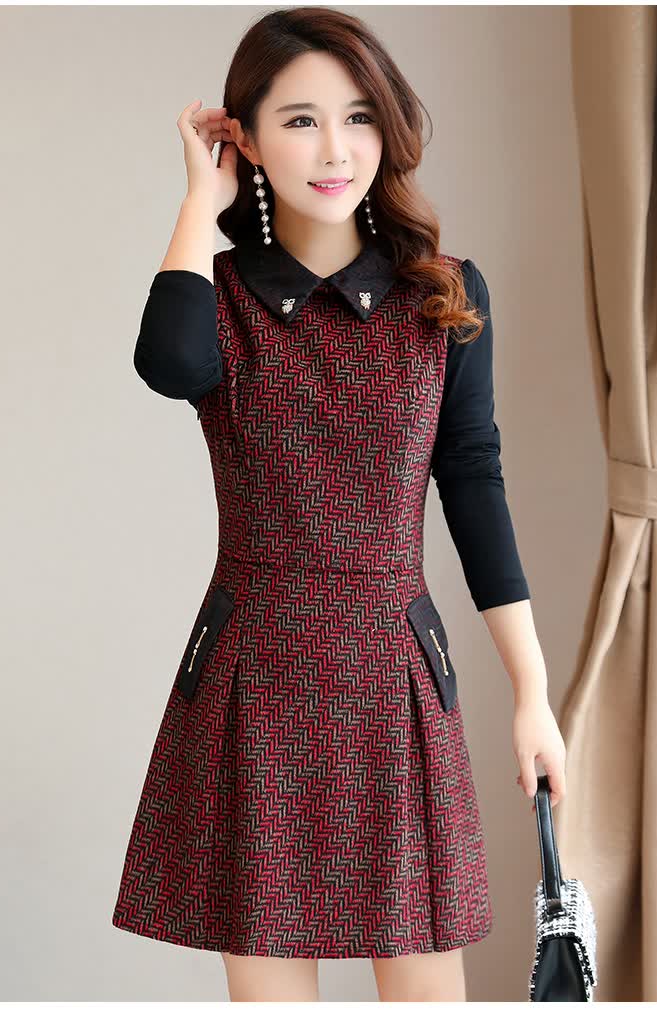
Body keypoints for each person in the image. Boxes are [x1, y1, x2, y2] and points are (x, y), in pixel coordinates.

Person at [111, 7, 567, 1001]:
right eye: (301, 120)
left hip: (393, 675)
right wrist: (198, 198)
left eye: (358, 118)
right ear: (247, 138)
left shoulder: (444, 296)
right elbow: (169, 363)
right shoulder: (216, 296)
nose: (335, 149)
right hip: (254, 676)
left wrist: (530, 690)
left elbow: (474, 483)